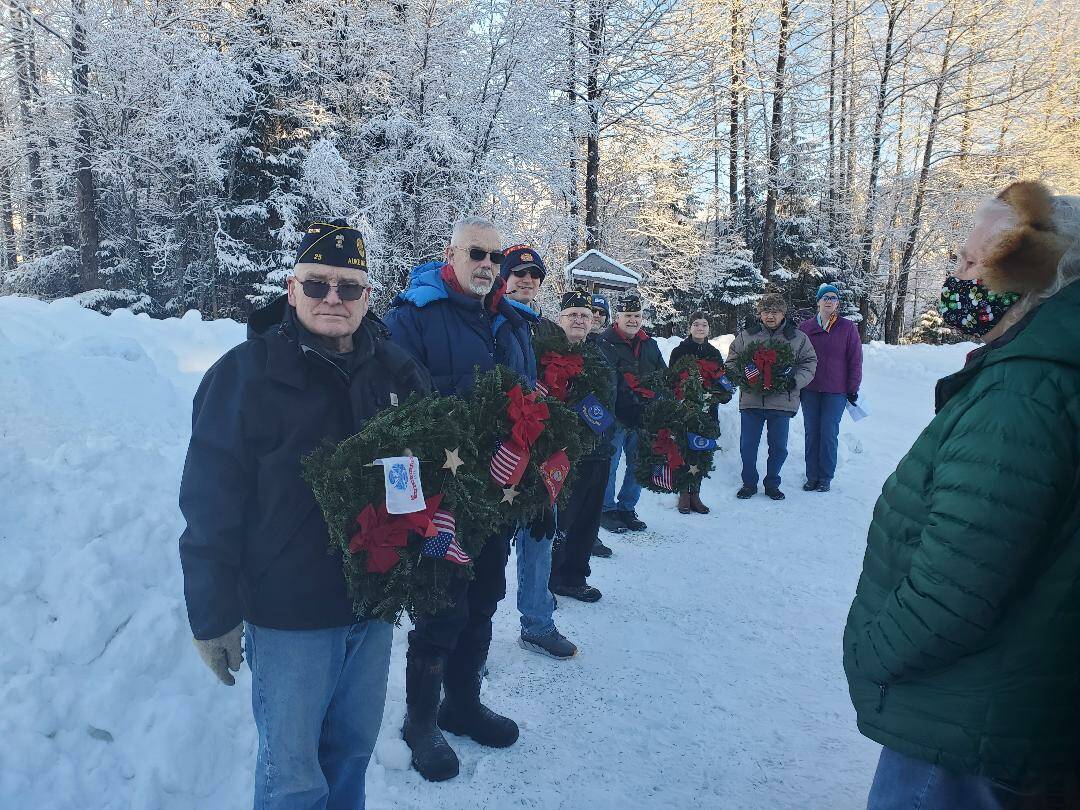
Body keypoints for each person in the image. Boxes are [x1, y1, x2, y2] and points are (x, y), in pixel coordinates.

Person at [178, 221, 432, 810]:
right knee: (292, 776)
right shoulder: (243, 376)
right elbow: (209, 505)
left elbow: (419, 480)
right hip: (289, 614)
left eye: (349, 287)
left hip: (372, 606)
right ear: (291, 289)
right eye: (317, 285)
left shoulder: (397, 372)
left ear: (369, 294)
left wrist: (423, 561)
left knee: (350, 753)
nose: (332, 300)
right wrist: (213, 614)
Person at [846, 181, 1080, 809]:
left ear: (1030, 275)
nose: (956, 274)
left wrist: (870, 652)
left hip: (965, 719)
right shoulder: (1040, 372)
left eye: (973, 261)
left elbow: (957, 586)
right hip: (1006, 709)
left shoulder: (1020, 396)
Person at [381, 216, 536, 782]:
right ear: (451, 253)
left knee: (486, 595)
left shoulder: (513, 324)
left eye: (496, 258)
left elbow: (532, 403)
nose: (488, 266)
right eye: (477, 253)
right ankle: (420, 721)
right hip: (441, 496)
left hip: (498, 493)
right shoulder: (412, 317)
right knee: (440, 603)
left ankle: (462, 704)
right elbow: (395, 408)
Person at [499, 245, 577, 660]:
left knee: (540, 534)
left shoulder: (545, 328)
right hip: (501, 450)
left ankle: (538, 623)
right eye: (518, 273)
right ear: (503, 277)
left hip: (542, 448)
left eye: (534, 275)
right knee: (488, 553)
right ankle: (470, 645)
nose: (527, 280)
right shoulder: (492, 320)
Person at [548, 291, 617, 602]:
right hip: (561, 454)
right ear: (560, 319)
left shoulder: (600, 354)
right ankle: (547, 580)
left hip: (598, 452)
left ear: (593, 322)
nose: (578, 320)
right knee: (559, 523)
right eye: (572, 314)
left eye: (584, 316)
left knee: (586, 523)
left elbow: (614, 400)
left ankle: (574, 577)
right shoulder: (549, 350)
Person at [726, 292, 816, 501]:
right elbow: (732, 360)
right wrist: (743, 377)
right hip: (751, 400)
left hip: (782, 401)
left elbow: (809, 363)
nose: (770, 316)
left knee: (779, 447)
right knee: (748, 445)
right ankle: (749, 483)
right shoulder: (747, 335)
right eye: (766, 311)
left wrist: (794, 381)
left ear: (783, 313)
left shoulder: (797, 337)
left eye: (775, 312)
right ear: (760, 313)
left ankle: (772, 483)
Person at [597, 292, 666, 533]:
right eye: (628, 315)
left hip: (644, 416)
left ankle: (627, 507)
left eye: (636, 315)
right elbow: (602, 381)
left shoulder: (650, 344)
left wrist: (657, 399)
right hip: (615, 417)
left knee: (638, 463)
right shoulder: (604, 342)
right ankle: (605, 509)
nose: (633, 320)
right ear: (618, 317)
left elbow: (662, 376)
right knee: (611, 465)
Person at [797, 284, 863, 493]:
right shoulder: (805, 328)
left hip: (836, 391)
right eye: (824, 297)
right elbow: (796, 357)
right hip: (810, 389)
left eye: (833, 298)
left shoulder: (847, 327)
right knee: (811, 432)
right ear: (818, 301)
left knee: (828, 433)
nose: (828, 301)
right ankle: (811, 476)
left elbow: (855, 360)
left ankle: (825, 477)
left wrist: (852, 387)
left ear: (837, 303)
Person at [668, 310, 728, 514]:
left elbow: (722, 379)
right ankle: (684, 492)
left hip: (708, 409)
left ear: (709, 328)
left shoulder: (713, 352)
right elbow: (672, 379)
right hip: (684, 408)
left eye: (704, 324)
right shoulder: (680, 351)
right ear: (690, 327)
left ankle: (696, 493)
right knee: (684, 449)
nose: (700, 328)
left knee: (702, 450)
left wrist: (721, 393)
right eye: (696, 324)